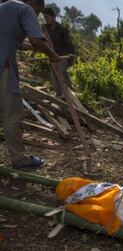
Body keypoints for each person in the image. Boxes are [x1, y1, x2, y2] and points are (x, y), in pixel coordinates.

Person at [0, 0, 60, 168]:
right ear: (36, 4)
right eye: (39, 12)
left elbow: (15, 41)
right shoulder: (26, 9)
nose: (38, 16)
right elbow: (36, 40)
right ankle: (19, 160)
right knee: (14, 114)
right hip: (3, 65)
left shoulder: (6, 7)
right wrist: (52, 54)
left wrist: (33, 48)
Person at [43, 7, 76, 99]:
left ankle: (70, 92)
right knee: (53, 74)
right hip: (51, 55)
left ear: (53, 17)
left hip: (62, 56)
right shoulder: (45, 28)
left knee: (61, 71)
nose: (46, 19)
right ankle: (59, 94)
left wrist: (72, 56)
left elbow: (69, 44)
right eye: (45, 17)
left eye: (47, 17)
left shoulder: (62, 29)